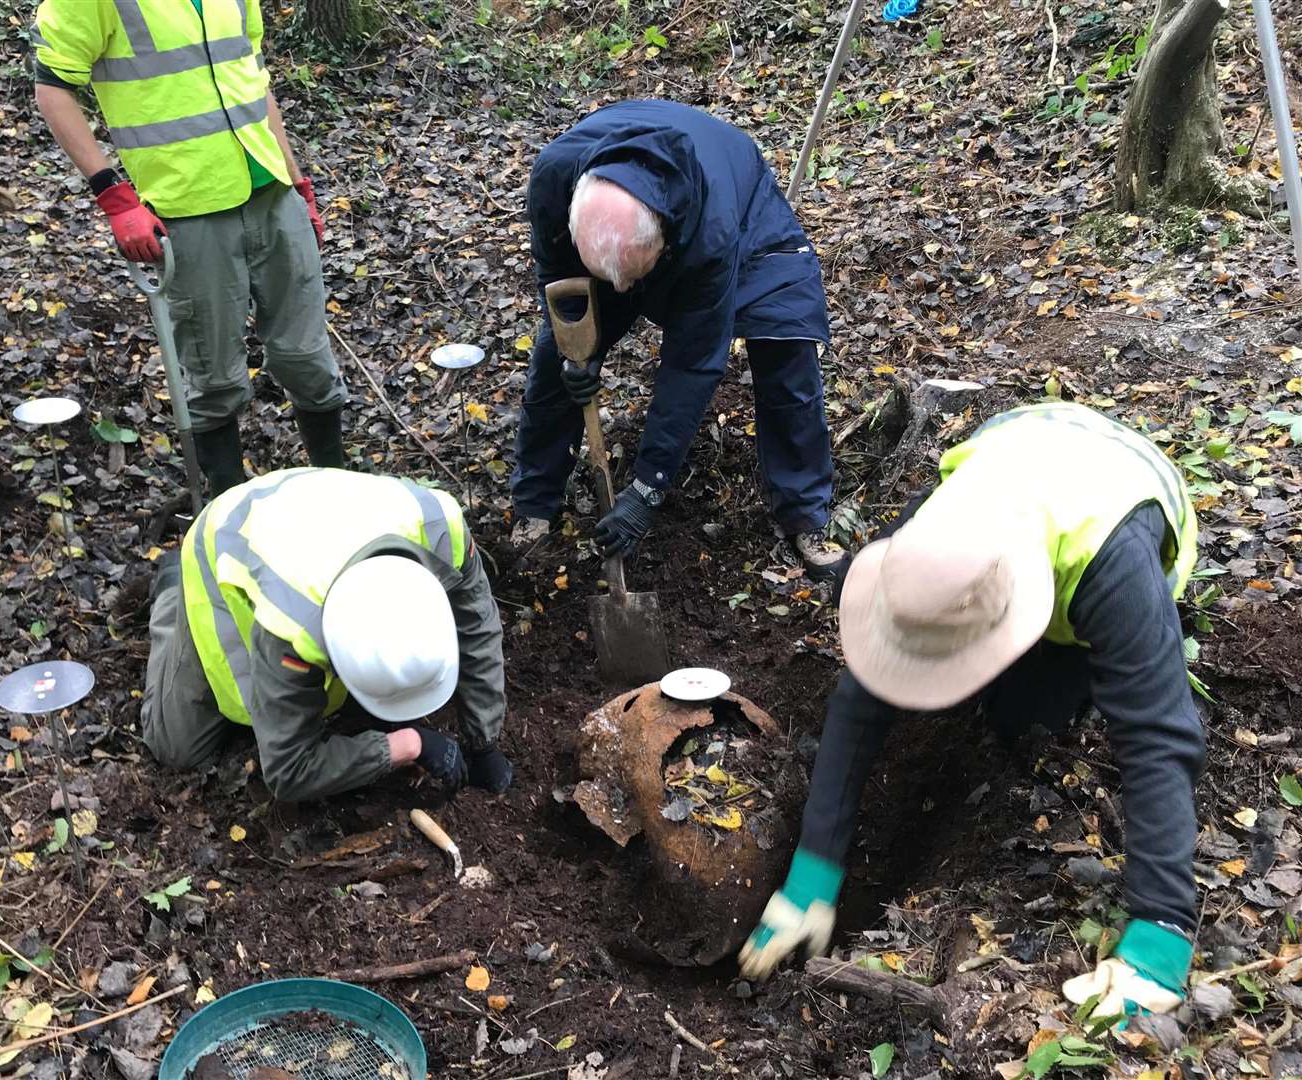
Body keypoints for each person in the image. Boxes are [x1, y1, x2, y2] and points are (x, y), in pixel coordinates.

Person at [739, 402, 1206, 1023]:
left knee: (1027, 718)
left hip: (1126, 492)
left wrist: (1161, 932)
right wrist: (813, 868)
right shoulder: (926, 536)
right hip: (1020, 444)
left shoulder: (1113, 567)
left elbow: (1158, 735)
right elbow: (858, 697)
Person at [31, 0, 348, 496]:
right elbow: (52, 88)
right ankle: (226, 513)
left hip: (270, 194)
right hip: (186, 206)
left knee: (308, 357)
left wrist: (296, 179)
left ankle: (338, 490)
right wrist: (115, 198)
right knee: (214, 377)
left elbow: (253, 78)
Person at [511, 100, 839, 578]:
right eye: (614, 283)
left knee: (786, 345)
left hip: (745, 216)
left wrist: (648, 487)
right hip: (621, 243)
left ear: (662, 240)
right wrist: (572, 351)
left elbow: (691, 365)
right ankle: (535, 502)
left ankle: (804, 513)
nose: (623, 295)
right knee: (553, 364)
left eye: (631, 282)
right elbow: (557, 276)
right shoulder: (554, 178)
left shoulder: (714, 232)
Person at [141, 468, 513, 801]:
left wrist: (483, 740)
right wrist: (407, 743)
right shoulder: (290, 624)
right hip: (226, 541)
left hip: (320, 506)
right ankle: (172, 591)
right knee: (176, 747)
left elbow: (477, 628)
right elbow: (288, 770)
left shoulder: (442, 529)